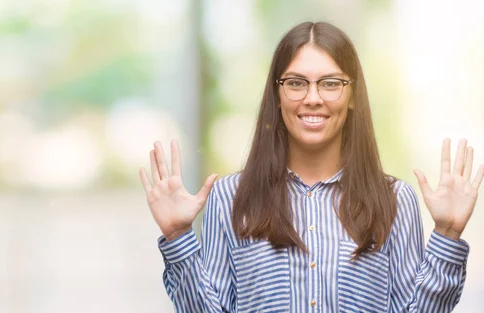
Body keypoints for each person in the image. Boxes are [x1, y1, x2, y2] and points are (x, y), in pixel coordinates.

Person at [138, 21, 484, 313]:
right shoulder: (231, 198)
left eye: (331, 83)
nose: (313, 97)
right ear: (277, 94)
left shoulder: (394, 200)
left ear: (352, 96)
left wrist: (448, 234)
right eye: (296, 82)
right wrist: (178, 236)